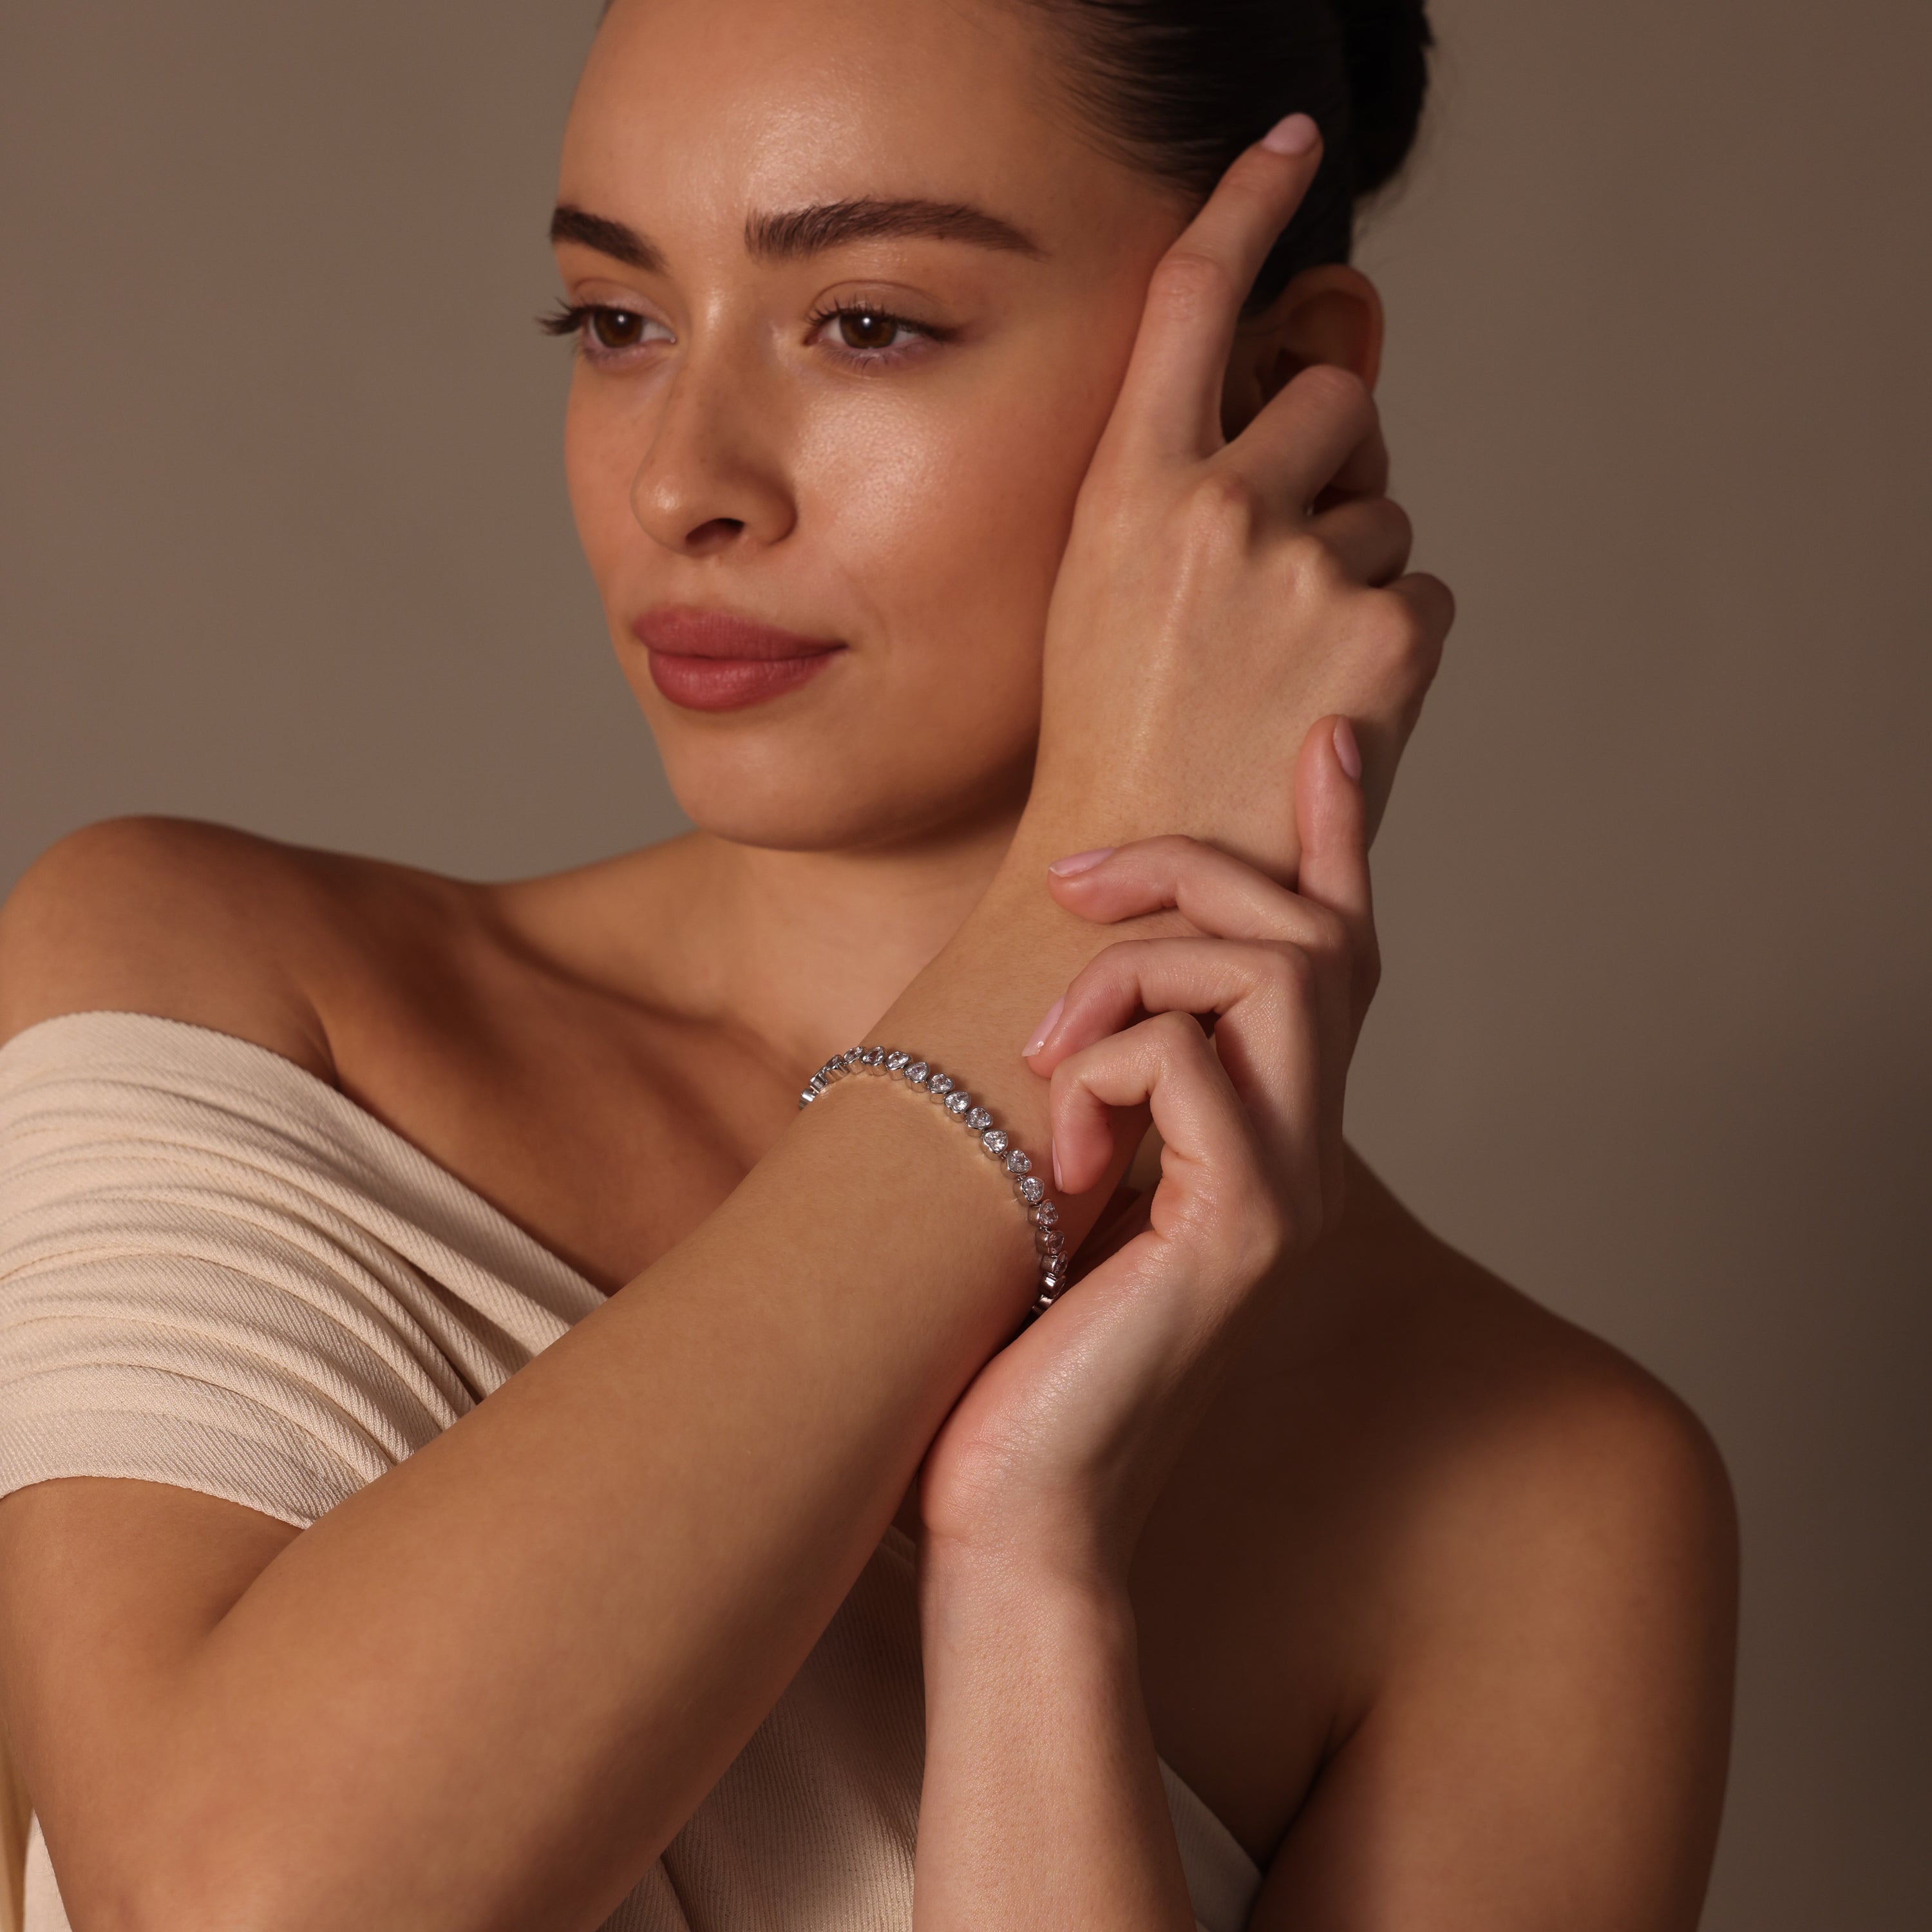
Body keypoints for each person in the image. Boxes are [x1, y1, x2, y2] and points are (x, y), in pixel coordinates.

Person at [0, 1, 1738, 1927]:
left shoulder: (1538, 1507)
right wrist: (1055, 974)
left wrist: (1032, 1574)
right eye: (617, 321)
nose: (687, 482)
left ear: (1274, 398)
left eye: (867, 323)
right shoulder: (220, 994)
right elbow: (250, 1901)